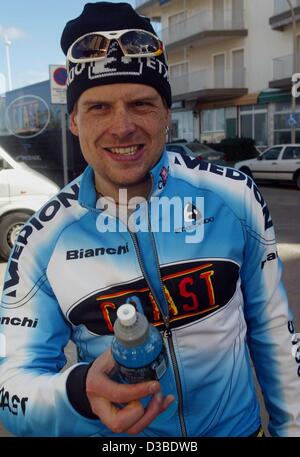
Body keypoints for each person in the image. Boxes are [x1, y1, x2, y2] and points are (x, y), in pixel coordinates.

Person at [0, 2, 299, 438]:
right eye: (99, 108)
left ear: (165, 114)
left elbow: (274, 331)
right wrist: (79, 393)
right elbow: (11, 385)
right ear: (75, 122)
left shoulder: (234, 196)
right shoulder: (41, 239)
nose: (122, 127)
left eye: (141, 103)